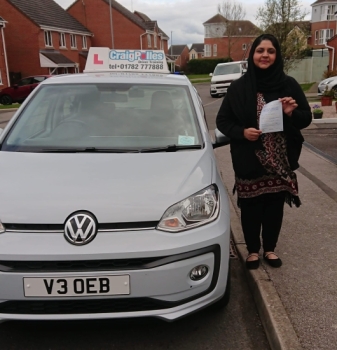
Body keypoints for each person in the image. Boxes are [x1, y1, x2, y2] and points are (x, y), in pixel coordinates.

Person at [216, 34, 312, 269]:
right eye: (260, 51)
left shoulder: (288, 84)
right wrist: (241, 132)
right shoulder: (240, 87)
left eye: (270, 51)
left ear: (276, 55)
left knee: (274, 207)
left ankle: (269, 249)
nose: (265, 55)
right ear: (253, 55)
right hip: (249, 159)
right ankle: (251, 251)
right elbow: (222, 120)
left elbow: (305, 118)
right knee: (250, 207)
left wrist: (291, 113)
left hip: (280, 160)